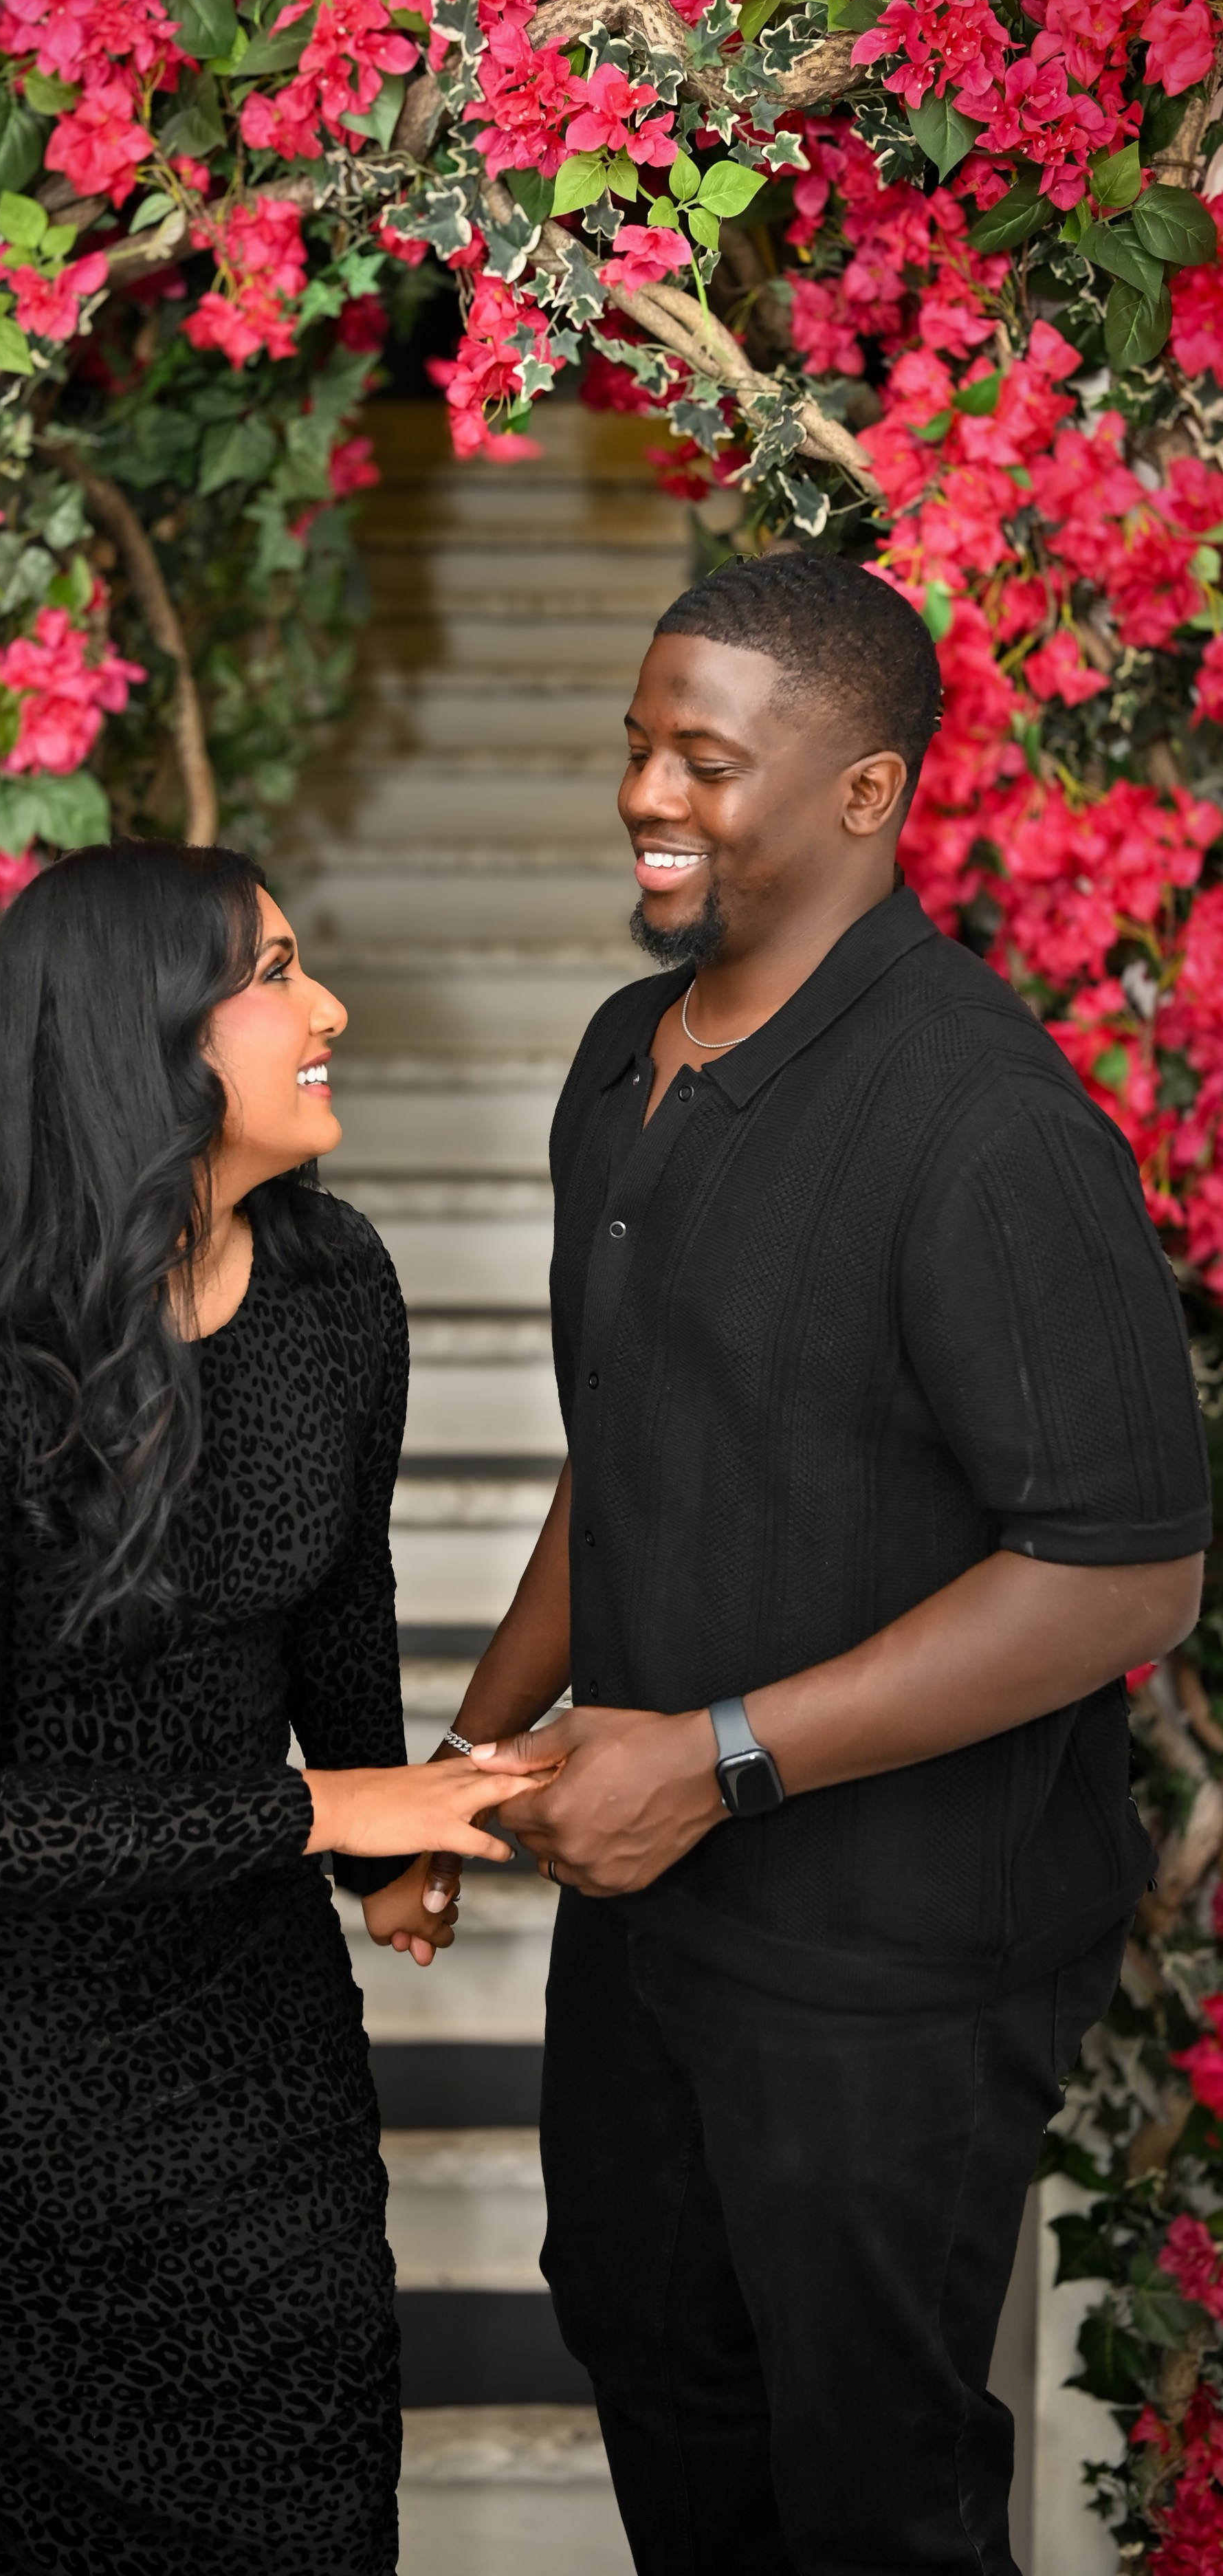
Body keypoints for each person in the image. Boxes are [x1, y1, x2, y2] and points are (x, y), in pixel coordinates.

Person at [426, 556, 1211, 2574]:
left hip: (891, 1957)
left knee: (871, 2490)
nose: (645, 795)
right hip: (651, 1921)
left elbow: (1123, 1578)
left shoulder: (989, 1125)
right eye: (636, 747)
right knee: (653, 2359)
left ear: (867, 791)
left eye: (705, 761)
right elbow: (630, 1449)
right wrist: (473, 1753)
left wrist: (714, 1757)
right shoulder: (625, 1054)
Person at [0, 841, 550, 2576]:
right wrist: (329, 1812)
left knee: (311, 2452)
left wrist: (379, 1845)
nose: (331, 1008)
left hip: (230, 1986)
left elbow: (340, 1590)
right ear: (142, 1037)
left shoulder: (337, 1284)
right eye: (275, 973)